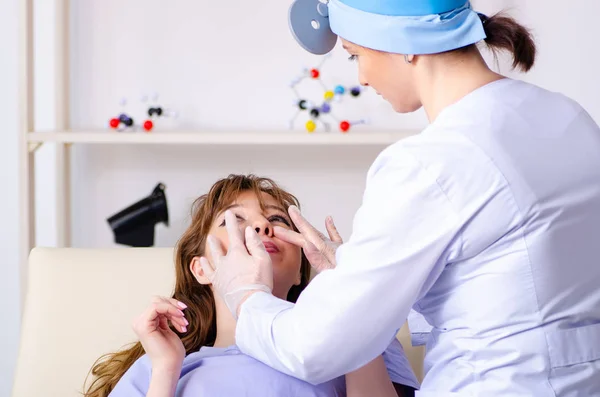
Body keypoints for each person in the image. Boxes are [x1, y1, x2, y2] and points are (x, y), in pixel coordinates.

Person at [200, 1, 600, 396]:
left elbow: (314, 348)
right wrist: (359, 271)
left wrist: (246, 294)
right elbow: (509, 280)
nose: (363, 78)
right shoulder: (569, 118)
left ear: (403, 42)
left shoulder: (431, 162)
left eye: (355, 55)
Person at [83, 174, 419, 397]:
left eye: (276, 220)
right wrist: (167, 370)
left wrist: (348, 299)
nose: (260, 226)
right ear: (202, 269)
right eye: (234, 221)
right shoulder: (160, 365)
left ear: (301, 272)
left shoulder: (354, 337)